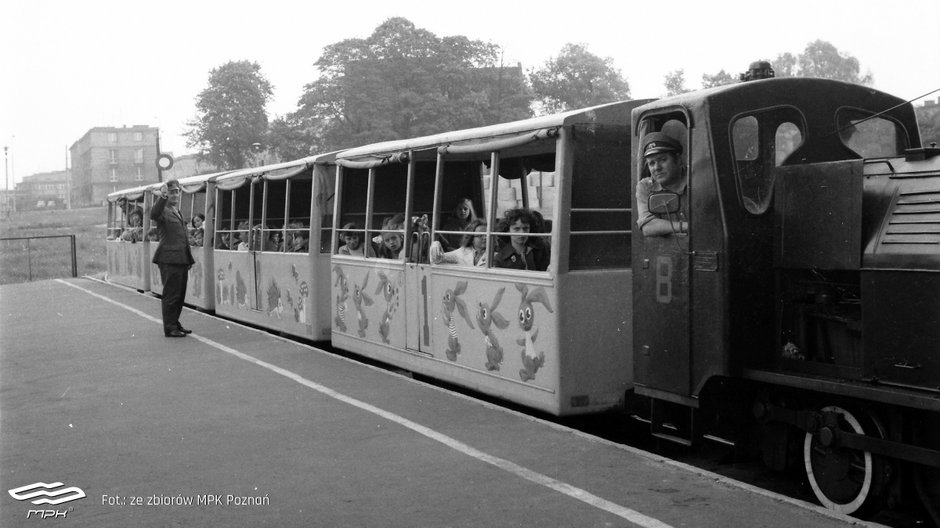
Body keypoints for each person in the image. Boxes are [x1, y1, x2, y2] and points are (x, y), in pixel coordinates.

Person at [150, 179, 195, 338]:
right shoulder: (163, 210)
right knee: (171, 294)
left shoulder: (176, 210)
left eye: (177, 191)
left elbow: (182, 237)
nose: (175, 194)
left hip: (180, 258)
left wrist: (188, 259)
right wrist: (161, 197)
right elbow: (153, 214)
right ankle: (169, 327)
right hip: (169, 259)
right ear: (166, 193)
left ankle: (175, 322)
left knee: (180, 294)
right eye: (171, 192)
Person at [635, 132, 689, 237]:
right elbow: (648, 227)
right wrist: (688, 227)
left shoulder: (697, 178)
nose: (656, 168)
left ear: (678, 160)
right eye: (651, 163)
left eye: (662, 160)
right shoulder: (646, 186)